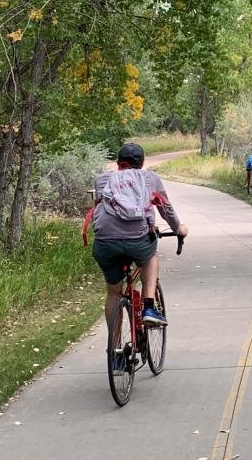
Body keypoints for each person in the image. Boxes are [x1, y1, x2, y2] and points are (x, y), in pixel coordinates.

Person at [89, 142, 187, 350]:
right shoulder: (149, 178)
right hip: (138, 240)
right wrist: (178, 228)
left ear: (118, 164)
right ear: (142, 163)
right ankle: (149, 307)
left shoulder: (102, 180)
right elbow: (165, 208)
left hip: (105, 243)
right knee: (150, 258)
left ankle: (114, 351)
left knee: (113, 293)